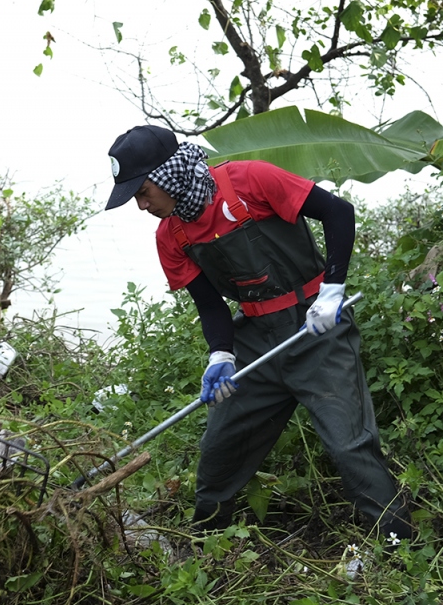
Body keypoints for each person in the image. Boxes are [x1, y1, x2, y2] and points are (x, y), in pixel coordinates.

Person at [104, 125, 412, 541]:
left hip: (314, 327)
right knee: (219, 449)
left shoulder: (251, 180)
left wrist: (331, 290)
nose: (142, 206)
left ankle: (397, 541)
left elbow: (339, 212)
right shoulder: (171, 235)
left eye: (143, 192)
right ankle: (207, 546)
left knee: (349, 444)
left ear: (169, 174)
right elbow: (210, 305)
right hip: (255, 339)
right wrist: (221, 354)